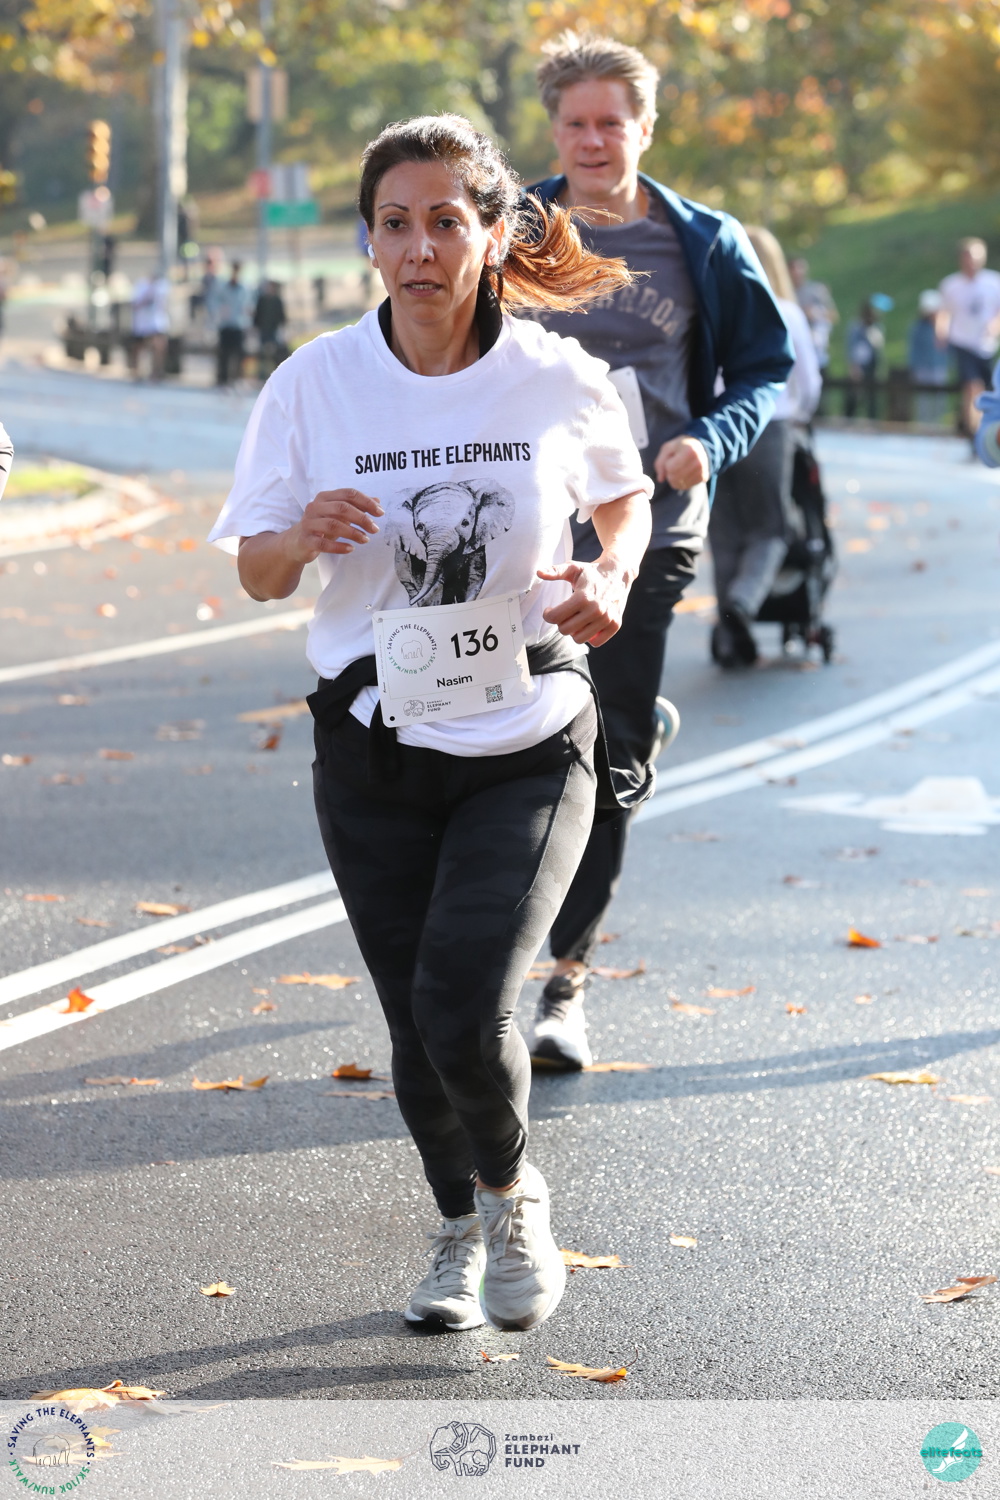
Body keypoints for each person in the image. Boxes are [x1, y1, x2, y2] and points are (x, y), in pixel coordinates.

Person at [207, 114, 653, 1334]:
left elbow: (622, 501)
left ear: (493, 236)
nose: (419, 248)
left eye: (445, 222)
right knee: (415, 1019)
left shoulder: (555, 375)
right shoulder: (314, 383)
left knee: (463, 1000)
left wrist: (609, 574)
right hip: (374, 748)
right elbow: (256, 571)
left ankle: (513, 1200)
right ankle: (457, 1225)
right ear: (368, 241)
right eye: (395, 224)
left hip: (528, 734)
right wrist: (301, 536)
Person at [522, 30, 793, 1068]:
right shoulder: (513, 230)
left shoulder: (705, 242)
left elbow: (764, 367)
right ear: (555, 130)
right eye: (575, 123)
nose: (593, 140)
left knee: (605, 753)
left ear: (645, 128)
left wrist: (708, 440)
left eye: (611, 122)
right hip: (528, 514)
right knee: (505, 728)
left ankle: (564, 981)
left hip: (650, 513)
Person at [708, 226, 821, 668]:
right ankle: (744, 600)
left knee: (725, 535)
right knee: (770, 528)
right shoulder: (787, 312)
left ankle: (730, 636)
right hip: (770, 427)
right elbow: (807, 382)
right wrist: (799, 415)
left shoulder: (713, 308)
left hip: (716, 428)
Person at [936, 237, 1000, 439]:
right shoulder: (951, 284)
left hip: (986, 344)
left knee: (989, 393)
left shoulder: (994, 282)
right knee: (972, 388)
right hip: (962, 342)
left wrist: (995, 326)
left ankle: (985, 431)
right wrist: (941, 331)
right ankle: (974, 434)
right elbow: (944, 311)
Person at [908, 290, 950, 424]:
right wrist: (914, 367)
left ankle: (937, 423)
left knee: (939, 400)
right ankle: (923, 424)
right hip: (922, 368)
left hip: (939, 367)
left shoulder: (943, 328)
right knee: (923, 400)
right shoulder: (917, 327)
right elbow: (913, 350)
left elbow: (948, 348)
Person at [789, 256, 838, 372]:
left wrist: (816, 313)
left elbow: (833, 315)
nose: (798, 272)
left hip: (817, 351)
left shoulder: (816, 290)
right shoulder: (785, 292)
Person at [209, 260, 253, 387]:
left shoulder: (245, 288)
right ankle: (222, 379)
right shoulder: (224, 287)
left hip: (239, 324)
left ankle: (237, 378)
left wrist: (247, 318)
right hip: (226, 324)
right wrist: (220, 312)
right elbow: (214, 302)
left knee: (239, 354)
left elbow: (249, 305)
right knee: (224, 353)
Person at [844, 299, 884, 419]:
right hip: (859, 365)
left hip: (871, 366)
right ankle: (849, 419)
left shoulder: (876, 328)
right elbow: (851, 347)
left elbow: (878, 349)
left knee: (871, 396)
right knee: (854, 396)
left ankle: (872, 420)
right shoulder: (856, 327)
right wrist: (854, 367)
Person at [128, 270, 170, 381]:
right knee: (138, 347)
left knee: (158, 346)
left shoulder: (162, 286)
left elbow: (164, 304)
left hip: (156, 323)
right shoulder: (141, 286)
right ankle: (136, 372)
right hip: (142, 324)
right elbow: (135, 304)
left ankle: (156, 373)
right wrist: (147, 296)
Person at [253, 279, 288, 379]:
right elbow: (258, 315)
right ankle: (262, 374)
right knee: (262, 353)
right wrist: (256, 326)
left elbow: (281, 316)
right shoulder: (262, 300)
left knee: (275, 352)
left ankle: (276, 373)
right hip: (263, 329)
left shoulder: (277, 301)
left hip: (274, 329)